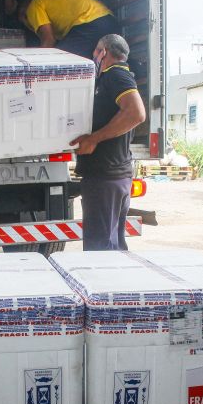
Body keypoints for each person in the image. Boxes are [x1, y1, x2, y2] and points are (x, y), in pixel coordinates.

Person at [69, 34, 145, 250]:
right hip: (111, 176)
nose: (93, 55)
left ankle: (104, 284)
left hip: (106, 177)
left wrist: (94, 138)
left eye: (96, 50)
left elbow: (137, 114)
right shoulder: (109, 79)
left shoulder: (115, 75)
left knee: (99, 249)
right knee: (111, 247)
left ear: (104, 52)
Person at [18, 0, 120, 58]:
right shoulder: (48, 0)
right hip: (110, 21)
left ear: (23, 14)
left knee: (61, 60)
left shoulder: (32, 7)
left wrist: (31, 61)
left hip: (90, 22)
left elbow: (49, 41)